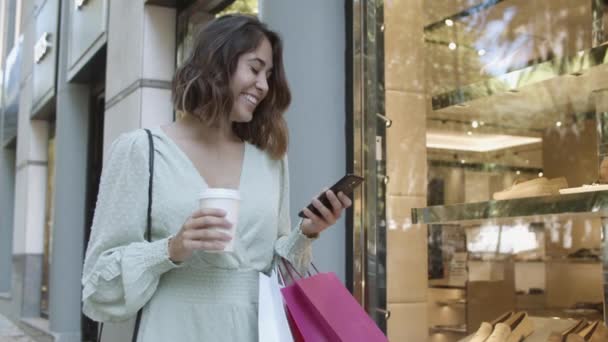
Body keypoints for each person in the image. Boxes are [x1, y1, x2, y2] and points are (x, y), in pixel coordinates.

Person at [81, 14, 352, 341]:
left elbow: (273, 268)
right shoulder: (141, 151)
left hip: (253, 329)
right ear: (217, 64)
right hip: (170, 328)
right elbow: (98, 285)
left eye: (268, 75)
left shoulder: (270, 161)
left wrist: (306, 233)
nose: (264, 86)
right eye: (254, 69)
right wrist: (172, 248)